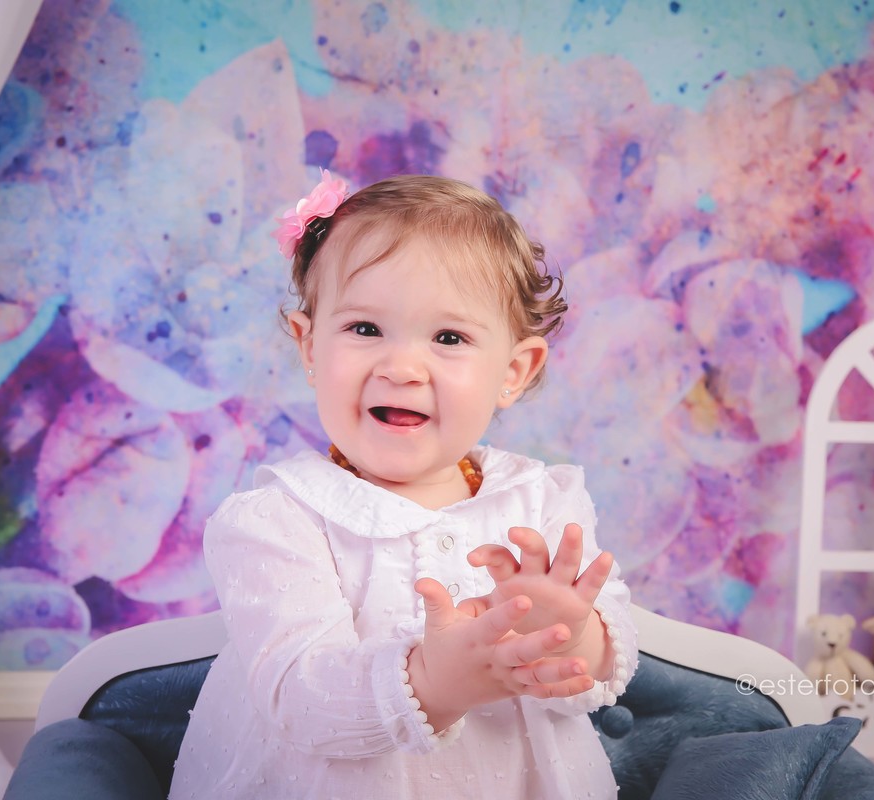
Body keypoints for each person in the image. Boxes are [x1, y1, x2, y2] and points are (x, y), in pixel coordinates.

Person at [169, 173, 636, 799]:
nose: (400, 367)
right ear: (309, 345)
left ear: (514, 371)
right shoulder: (277, 520)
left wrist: (569, 633)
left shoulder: (541, 501)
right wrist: (434, 683)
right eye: (365, 329)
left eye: (449, 338)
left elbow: (604, 666)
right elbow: (299, 697)